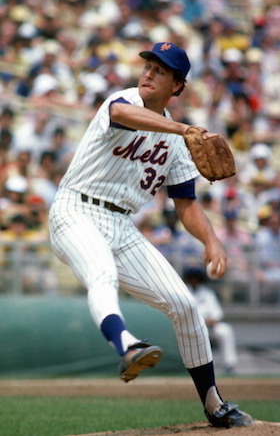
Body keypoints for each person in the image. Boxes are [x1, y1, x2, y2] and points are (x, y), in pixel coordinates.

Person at [48, 42, 253, 428]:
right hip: (75, 209)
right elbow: (124, 114)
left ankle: (214, 403)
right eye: (148, 66)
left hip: (122, 225)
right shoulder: (125, 100)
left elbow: (187, 204)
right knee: (101, 273)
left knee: (185, 305)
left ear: (178, 85)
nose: (149, 73)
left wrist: (212, 240)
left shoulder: (178, 142)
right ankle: (127, 346)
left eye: (161, 71)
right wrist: (182, 127)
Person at [182, 266, 238, 374]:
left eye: (196, 277)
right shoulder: (184, 292)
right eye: (192, 277)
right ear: (188, 278)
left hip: (209, 327)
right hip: (191, 327)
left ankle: (229, 364)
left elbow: (217, 313)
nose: (194, 280)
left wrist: (213, 319)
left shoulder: (208, 293)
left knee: (225, 330)